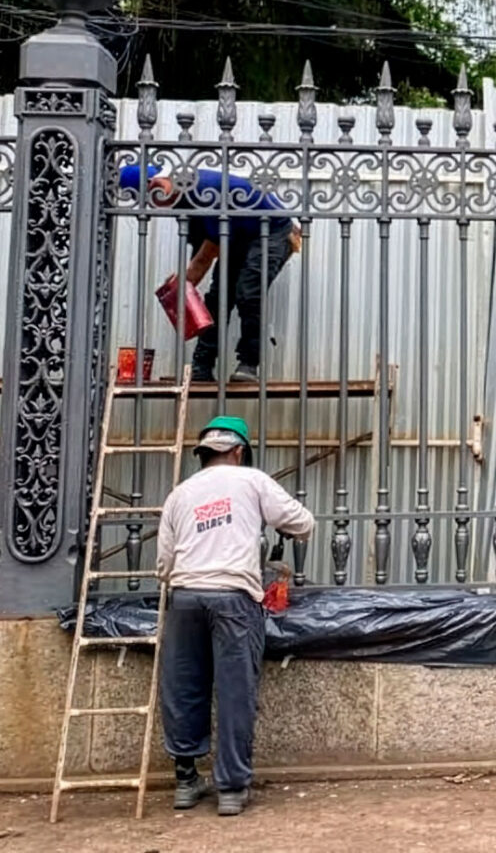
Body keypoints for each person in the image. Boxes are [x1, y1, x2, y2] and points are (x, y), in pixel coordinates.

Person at [157, 415, 314, 816]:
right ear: (239, 450)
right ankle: (230, 789)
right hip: (234, 599)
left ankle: (186, 781)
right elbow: (302, 522)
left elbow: (163, 563)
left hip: (186, 597)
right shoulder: (253, 480)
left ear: (204, 452)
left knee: (184, 687)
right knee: (233, 691)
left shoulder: (180, 493)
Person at [119, 164, 300, 383]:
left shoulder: (203, 190)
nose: (152, 203)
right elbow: (203, 244)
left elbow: (207, 254)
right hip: (238, 236)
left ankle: (249, 363)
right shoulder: (180, 201)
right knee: (218, 298)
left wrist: (185, 282)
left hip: (272, 231)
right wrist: (185, 280)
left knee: (248, 292)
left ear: (157, 183)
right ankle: (201, 367)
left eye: (150, 195)